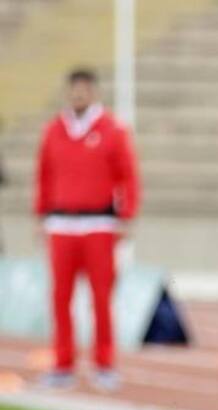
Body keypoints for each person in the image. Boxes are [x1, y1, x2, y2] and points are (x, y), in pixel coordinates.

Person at [35, 68, 140, 391]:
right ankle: (63, 363)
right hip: (62, 224)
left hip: (98, 223)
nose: (78, 95)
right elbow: (44, 175)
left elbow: (128, 175)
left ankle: (104, 363)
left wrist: (127, 215)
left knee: (101, 297)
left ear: (94, 93)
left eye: (84, 90)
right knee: (60, 297)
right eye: (74, 90)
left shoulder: (112, 129)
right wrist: (41, 215)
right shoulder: (54, 130)